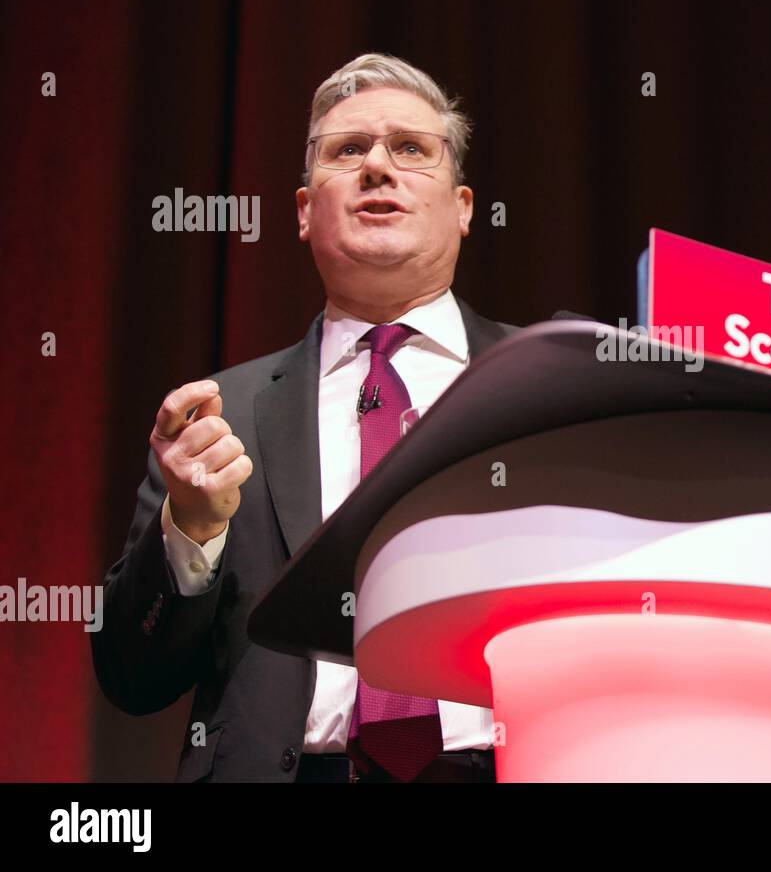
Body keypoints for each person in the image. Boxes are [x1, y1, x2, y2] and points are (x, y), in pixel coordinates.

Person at [92, 53, 516, 782]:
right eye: (347, 151)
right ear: (301, 210)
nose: (378, 167)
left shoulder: (545, 385)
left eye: (411, 149)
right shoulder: (220, 418)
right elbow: (133, 676)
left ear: (465, 205)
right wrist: (190, 531)